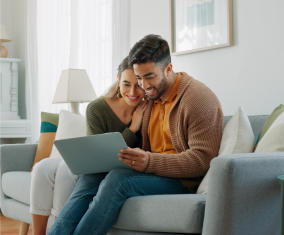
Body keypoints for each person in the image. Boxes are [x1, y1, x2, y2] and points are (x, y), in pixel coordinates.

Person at [48, 34, 223, 235]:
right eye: (139, 78)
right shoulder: (150, 97)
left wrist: (149, 162)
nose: (143, 85)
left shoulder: (197, 99)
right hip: (153, 172)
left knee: (118, 180)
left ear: (168, 68)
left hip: (183, 180)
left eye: (149, 77)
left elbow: (202, 160)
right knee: (90, 177)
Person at [30, 56, 145, 235]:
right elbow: (97, 156)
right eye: (126, 84)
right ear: (118, 81)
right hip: (99, 168)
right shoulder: (97, 108)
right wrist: (132, 128)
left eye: (138, 84)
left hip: (130, 169)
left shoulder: (149, 109)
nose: (132, 91)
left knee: (100, 181)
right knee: (85, 184)